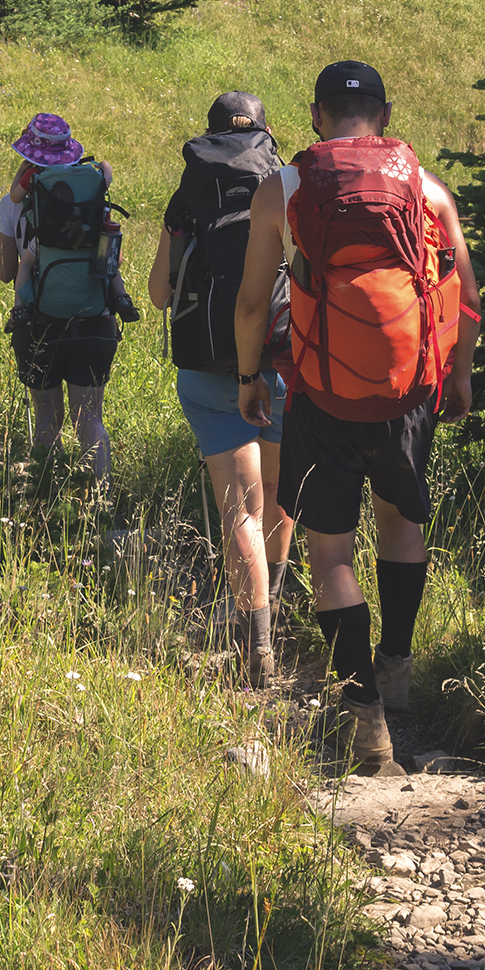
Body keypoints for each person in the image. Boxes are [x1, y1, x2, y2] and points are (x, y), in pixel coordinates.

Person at [233, 60, 475, 776]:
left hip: (320, 391)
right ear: (386, 114)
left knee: (329, 555)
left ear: (314, 117)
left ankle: (366, 723)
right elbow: (463, 295)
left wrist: (251, 377)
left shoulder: (284, 188)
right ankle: (396, 671)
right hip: (408, 392)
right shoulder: (429, 189)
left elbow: (253, 302)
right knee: (402, 522)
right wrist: (457, 375)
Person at [148, 91, 294, 689]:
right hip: (284, 362)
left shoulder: (189, 195)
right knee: (281, 497)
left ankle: (255, 645)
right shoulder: (285, 186)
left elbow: (159, 293)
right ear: (265, 130)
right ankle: (277, 610)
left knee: (242, 510)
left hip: (210, 371)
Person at [0, 112, 134, 478]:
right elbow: (110, 257)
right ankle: (100, 508)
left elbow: (6, 272)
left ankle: (44, 503)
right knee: (90, 421)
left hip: (40, 322)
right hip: (95, 319)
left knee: (46, 420)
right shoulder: (93, 193)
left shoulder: (14, 201)